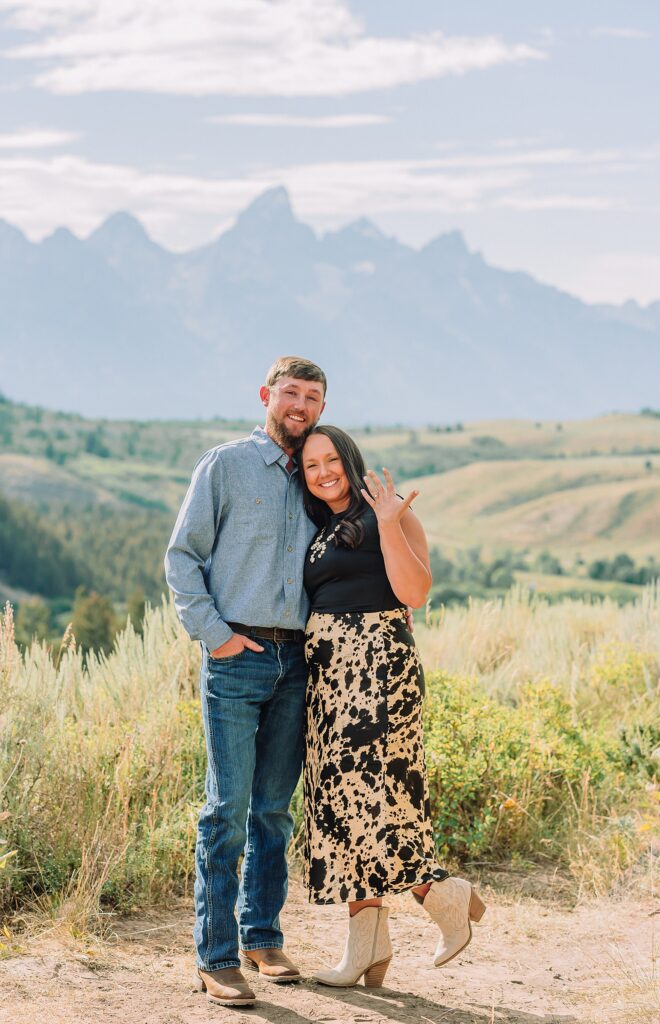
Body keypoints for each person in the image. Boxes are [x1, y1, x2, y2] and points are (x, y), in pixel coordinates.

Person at [164, 356, 327, 1008]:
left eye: (312, 396)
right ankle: (216, 956)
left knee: (273, 812)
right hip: (237, 656)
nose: (300, 405)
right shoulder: (226, 465)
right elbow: (183, 556)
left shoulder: (319, 475)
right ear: (266, 395)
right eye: (291, 392)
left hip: (299, 662)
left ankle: (262, 936)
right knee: (227, 810)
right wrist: (217, 637)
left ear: (321, 408)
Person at [299, 425, 485, 988]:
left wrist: (386, 524)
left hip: (378, 669)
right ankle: (368, 946)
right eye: (311, 465)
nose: (323, 472)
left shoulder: (391, 512)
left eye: (331, 459)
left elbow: (414, 593)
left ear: (350, 459)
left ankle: (441, 894)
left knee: (380, 797)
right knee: (341, 802)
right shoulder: (322, 524)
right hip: (330, 679)